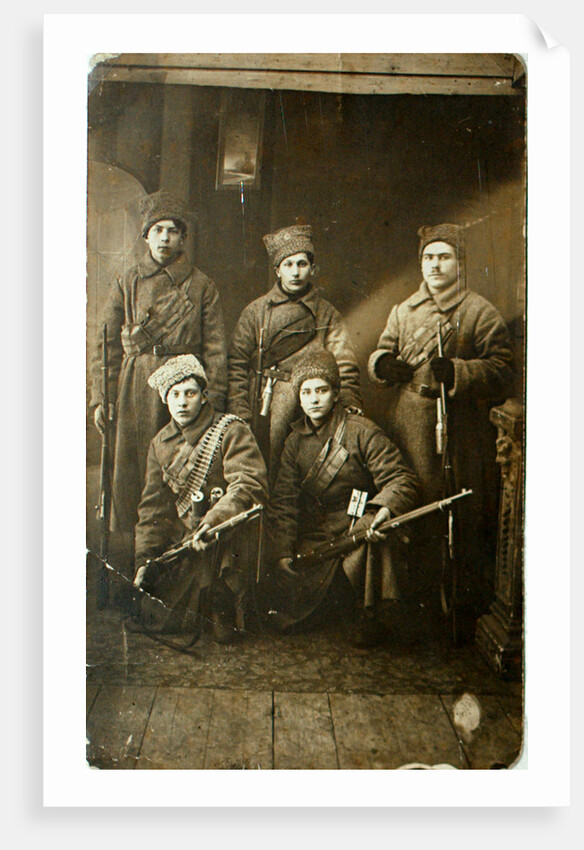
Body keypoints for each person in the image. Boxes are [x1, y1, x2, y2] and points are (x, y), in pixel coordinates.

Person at [367, 223, 514, 628]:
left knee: (454, 514)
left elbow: (504, 369)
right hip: (408, 424)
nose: (435, 265)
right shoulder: (404, 310)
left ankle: (453, 607)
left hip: (458, 429)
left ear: (459, 263)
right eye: (429, 258)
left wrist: (460, 372)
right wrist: (384, 365)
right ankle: (410, 606)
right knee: (410, 509)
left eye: (444, 257)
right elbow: (381, 350)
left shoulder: (478, 311)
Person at [89, 190, 228, 571]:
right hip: (136, 389)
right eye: (158, 230)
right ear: (146, 236)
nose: (165, 238)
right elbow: (106, 344)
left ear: (183, 238)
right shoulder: (128, 281)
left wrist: (214, 401)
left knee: (182, 472)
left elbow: (216, 350)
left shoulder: (201, 286)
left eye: (173, 231)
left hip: (186, 392)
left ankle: (178, 562)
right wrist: (102, 397)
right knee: (135, 479)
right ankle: (136, 562)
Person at [266, 351, 419, 647]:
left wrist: (380, 510)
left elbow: (401, 479)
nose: (314, 399)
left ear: (336, 394)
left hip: (355, 528)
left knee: (375, 540)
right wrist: (282, 551)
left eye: (322, 390)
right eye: (306, 392)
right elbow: (284, 502)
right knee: (288, 608)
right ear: (299, 399)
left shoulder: (362, 431)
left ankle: (371, 615)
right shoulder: (294, 442)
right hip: (317, 536)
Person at [132, 355, 268, 644]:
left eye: (190, 393)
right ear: (165, 400)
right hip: (187, 539)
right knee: (156, 616)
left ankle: (223, 601)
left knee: (223, 632)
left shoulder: (230, 429)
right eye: (175, 395)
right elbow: (153, 509)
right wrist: (144, 559)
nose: (182, 402)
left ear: (204, 396)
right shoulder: (160, 443)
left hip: (226, 536)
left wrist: (213, 520)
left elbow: (247, 485)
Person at [227, 224, 362, 485]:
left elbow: (344, 363)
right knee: (264, 473)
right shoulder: (256, 311)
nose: (296, 272)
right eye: (288, 265)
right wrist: (240, 411)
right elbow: (237, 364)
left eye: (302, 264)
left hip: (311, 405)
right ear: (277, 270)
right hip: (264, 404)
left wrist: (347, 399)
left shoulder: (327, 314)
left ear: (312, 268)